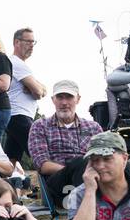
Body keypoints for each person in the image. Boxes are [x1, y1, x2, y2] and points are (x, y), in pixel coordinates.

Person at [26, 80, 103, 209]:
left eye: (69, 97)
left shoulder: (93, 127)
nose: (64, 103)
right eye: (60, 97)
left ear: (78, 99)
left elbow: (103, 156)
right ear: (53, 100)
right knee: (81, 162)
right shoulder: (40, 126)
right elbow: (42, 164)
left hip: (92, 177)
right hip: (58, 184)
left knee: (123, 163)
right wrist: (75, 169)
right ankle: (89, 215)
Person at [4, 28, 47, 163]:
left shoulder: (19, 64)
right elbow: (39, 92)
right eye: (28, 42)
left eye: (33, 42)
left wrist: (36, 88)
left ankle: (5, 183)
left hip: (16, 116)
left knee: (11, 159)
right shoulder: (16, 62)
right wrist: (36, 88)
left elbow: (42, 89)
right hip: (19, 116)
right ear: (17, 42)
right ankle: (55, 182)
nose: (31, 46)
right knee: (41, 154)